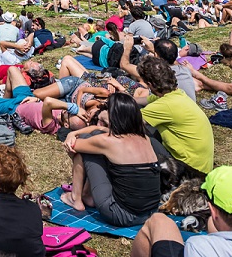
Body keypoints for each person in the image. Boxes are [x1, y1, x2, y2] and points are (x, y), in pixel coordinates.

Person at [63, 93, 161, 226]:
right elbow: (100, 130)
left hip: (121, 214)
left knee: (85, 141)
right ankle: (88, 195)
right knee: (94, 140)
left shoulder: (109, 142)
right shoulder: (145, 139)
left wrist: (72, 134)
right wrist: (95, 129)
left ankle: (76, 198)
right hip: (149, 212)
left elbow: (73, 147)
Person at [138, 57, 213, 177]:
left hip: (190, 171)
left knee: (140, 135)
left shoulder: (165, 105)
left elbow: (127, 121)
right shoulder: (177, 95)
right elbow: (145, 100)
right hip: (201, 166)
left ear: (150, 85)